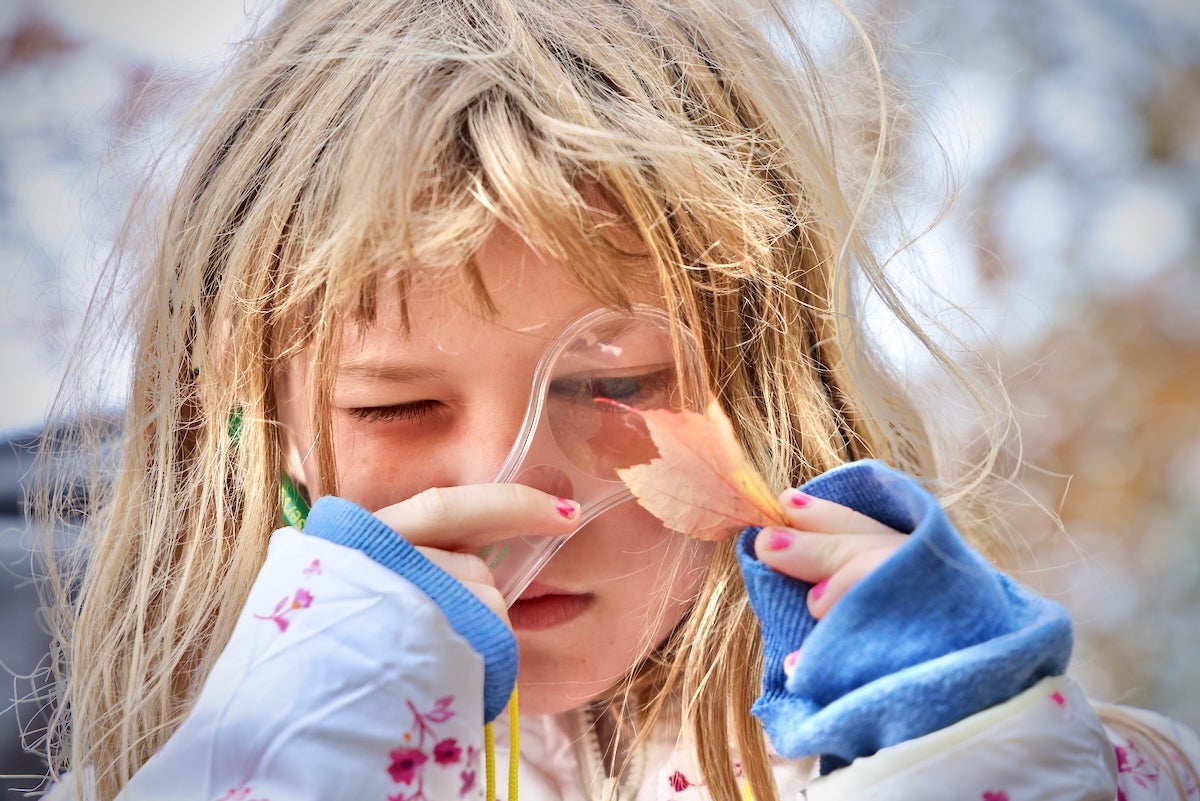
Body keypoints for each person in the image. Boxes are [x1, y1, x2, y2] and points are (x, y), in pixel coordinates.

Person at [33, 0, 1200, 798]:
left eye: (615, 383)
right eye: (394, 409)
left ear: (770, 388)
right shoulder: (148, 772)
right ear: (258, 431)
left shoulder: (1022, 753)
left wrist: (988, 756)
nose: (513, 482)